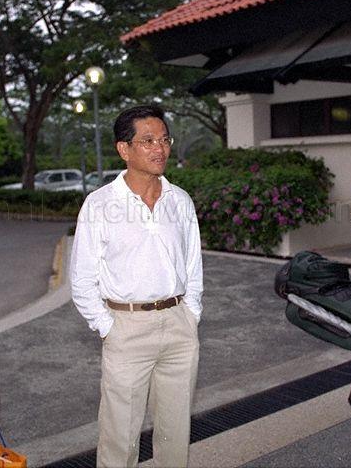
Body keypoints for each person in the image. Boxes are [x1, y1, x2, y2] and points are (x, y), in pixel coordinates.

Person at [70, 104, 203, 468]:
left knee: (176, 430)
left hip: (178, 325)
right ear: (124, 149)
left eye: (164, 139)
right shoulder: (99, 205)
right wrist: (107, 326)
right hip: (126, 329)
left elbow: (193, 266)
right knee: (119, 435)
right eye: (147, 141)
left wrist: (191, 313)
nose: (159, 148)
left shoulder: (180, 200)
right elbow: (82, 278)